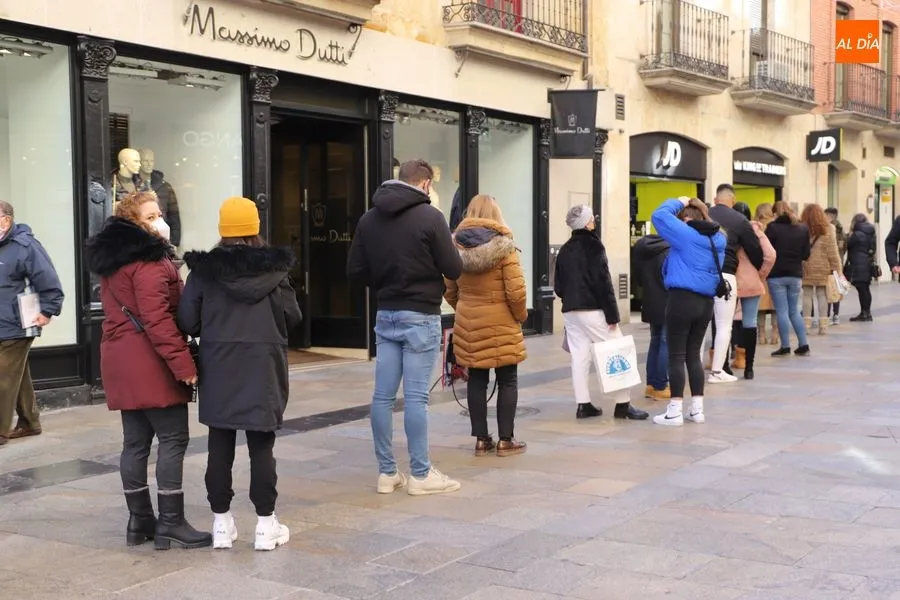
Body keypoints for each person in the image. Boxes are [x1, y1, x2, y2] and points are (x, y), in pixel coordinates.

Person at [84, 191, 211, 550]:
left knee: (135, 443)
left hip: (120, 359)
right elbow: (158, 320)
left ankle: (139, 521)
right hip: (149, 361)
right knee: (173, 439)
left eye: (160, 213)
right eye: (151, 216)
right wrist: (184, 365)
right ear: (135, 223)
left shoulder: (116, 260)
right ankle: (170, 521)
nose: (160, 220)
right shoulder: (150, 262)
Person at [178, 197, 302, 551]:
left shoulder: (204, 272)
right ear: (255, 228)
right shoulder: (275, 272)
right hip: (263, 365)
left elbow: (188, 320)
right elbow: (293, 317)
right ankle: (265, 526)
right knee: (262, 445)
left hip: (219, 364)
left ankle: (221, 524)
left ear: (222, 230)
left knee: (220, 445)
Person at [347, 159, 463, 496]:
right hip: (421, 315)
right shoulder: (431, 217)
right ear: (425, 184)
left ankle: (387, 473)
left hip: (386, 313)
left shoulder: (369, 219)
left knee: (382, 397)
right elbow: (453, 268)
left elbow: (355, 270)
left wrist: (385, 282)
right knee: (415, 399)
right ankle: (421, 475)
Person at [443, 195, 528, 457]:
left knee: (477, 380)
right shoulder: (506, 248)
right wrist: (520, 316)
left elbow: (449, 289)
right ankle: (506, 440)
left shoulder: (455, 246)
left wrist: (465, 307)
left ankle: (481, 440)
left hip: (469, 323)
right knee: (507, 380)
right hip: (502, 322)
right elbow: (516, 293)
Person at [555, 205, 649, 421]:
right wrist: (612, 315)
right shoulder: (594, 246)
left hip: (571, 311)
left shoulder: (565, 249)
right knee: (616, 349)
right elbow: (603, 283)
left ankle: (583, 404)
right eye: (592, 218)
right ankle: (623, 404)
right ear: (587, 223)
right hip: (593, 309)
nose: (594, 221)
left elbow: (558, 286)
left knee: (579, 357)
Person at [650, 197, 726, 426]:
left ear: (686, 219)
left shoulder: (686, 235)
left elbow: (659, 215)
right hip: (706, 303)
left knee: (676, 355)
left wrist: (679, 200)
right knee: (694, 354)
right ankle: (697, 409)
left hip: (682, 299)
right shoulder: (718, 239)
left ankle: (674, 410)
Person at [0, 201, 64, 446]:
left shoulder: (26, 246)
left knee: (3, 378)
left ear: (5, 221)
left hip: (18, 323)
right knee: (15, 374)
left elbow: (48, 280)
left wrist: (48, 310)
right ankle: (29, 421)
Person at [706, 184, 764, 384]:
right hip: (727, 273)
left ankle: (717, 365)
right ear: (733, 199)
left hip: (702, 271)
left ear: (715, 199)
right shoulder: (740, 221)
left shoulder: (704, 214)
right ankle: (740, 368)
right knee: (727, 323)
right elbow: (756, 251)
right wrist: (758, 271)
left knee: (707, 322)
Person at [732, 202, 776, 380]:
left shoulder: (727, 231)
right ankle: (748, 367)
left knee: (726, 322)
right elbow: (771, 255)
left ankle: (725, 363)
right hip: (751, 282)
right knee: (749, 322)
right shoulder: (756, 231)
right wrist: (761, 274)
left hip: (730, 281)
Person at [765, 201, 811, 356]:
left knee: (782, 311)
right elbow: (806, 254)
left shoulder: (772, 228)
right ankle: (803, 344)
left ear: (776, 213)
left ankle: (785, 346)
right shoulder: (802, 228)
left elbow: (767, 250)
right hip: (795, 274)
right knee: (794, 311)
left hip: (776, 275)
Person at [632, 233, 671, 400]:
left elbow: (638, 279)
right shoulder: (669, 249)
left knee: (655, 340)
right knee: (665, 342)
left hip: (650, 300)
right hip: (667, 300)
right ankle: (661, 385)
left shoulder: (642, 248)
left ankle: (651, 384)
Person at [800, 203, 842, 335]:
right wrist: (838, 270)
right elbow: (833, 252)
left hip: (805, 266)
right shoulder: (829, 228)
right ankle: (823, 327)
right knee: (822, 295)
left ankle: (806, 325)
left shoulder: (801, 228)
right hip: (823, 267)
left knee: (806, 295)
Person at [754, 203, 779, 346]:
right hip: (775, 270)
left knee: (760, 308)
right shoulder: (776, 226)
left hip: (760, 271)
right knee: (775, 306)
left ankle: (761, 335)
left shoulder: (756, 227)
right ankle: (775, 335)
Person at [846, 213, 877, 322]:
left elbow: (847, 244)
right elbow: (873, 248)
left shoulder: (856, 234)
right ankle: (866, 312)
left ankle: (864, 313)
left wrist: (849, 234)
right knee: (866, 289)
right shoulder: (871, 233)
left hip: (858, 265)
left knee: (862, 290)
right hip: (867, 264)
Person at [825, 207, 847, 324]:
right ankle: (833, 315)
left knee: (832, 290)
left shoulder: (835, 229)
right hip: (836, 263)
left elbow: (840, 247)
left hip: (833, 263)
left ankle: (831, 315)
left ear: (831, 216)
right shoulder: (840, 229)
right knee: (833, 289)